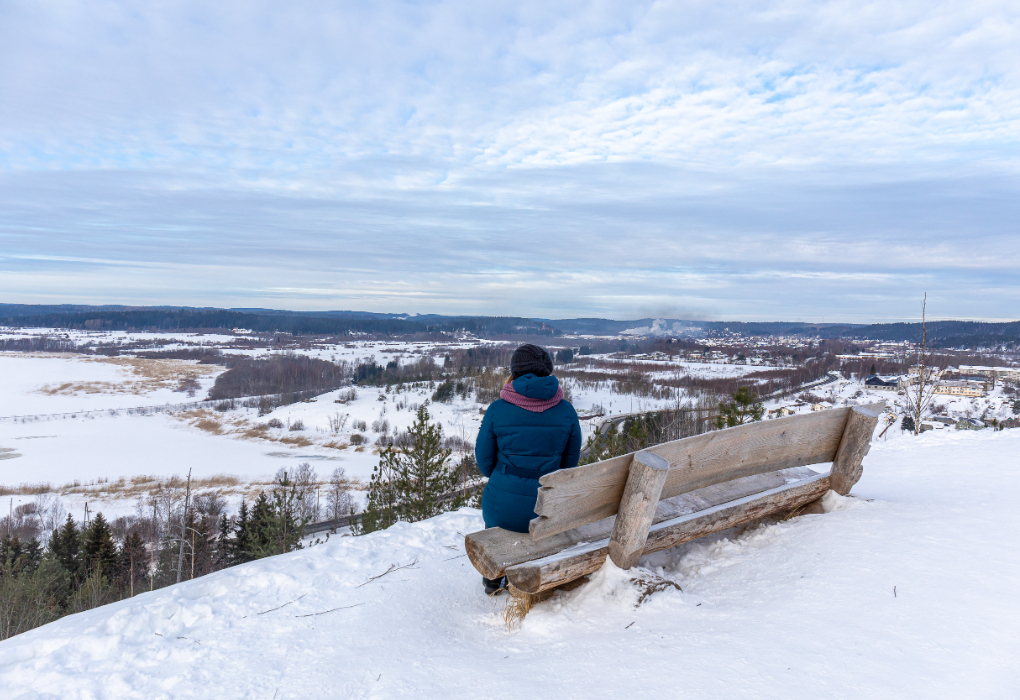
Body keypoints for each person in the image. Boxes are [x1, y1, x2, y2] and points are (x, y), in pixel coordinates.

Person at [474, 344, 582, 595]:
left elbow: (484, 463)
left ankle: (493, 580)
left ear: (514, 372)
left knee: (496, 503)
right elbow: (569, 466)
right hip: (547, 509)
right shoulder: (566, 411)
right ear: (548, 372)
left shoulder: (497, 410)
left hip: (503, 508)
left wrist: (505, 477)